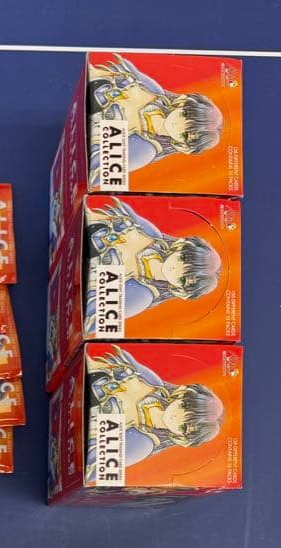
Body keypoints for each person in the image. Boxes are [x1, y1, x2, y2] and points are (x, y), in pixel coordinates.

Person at [85, 345, 224, 480]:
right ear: (182, 393)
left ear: (183, 439)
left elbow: (94, 468)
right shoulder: (153, 384)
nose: (176, 416)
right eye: (183, 406)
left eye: (184, 426)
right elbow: (113, 361)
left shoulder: (143, 443)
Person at [84, 198, 222, 332]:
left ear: (182, 292)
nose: (174, 269)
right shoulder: (151, 235)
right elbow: (113, 207)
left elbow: (93, 319)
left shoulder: (142, 295)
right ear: (181, 245)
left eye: (182, 279)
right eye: (182, 258)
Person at [87, 54, 223, 184]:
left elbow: (97, 170)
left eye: (185, 134)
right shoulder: (153, 91)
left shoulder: (145, 150)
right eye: (184, 114)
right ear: (182, 102)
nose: (177, 124)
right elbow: (114, 68)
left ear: (185, 146)